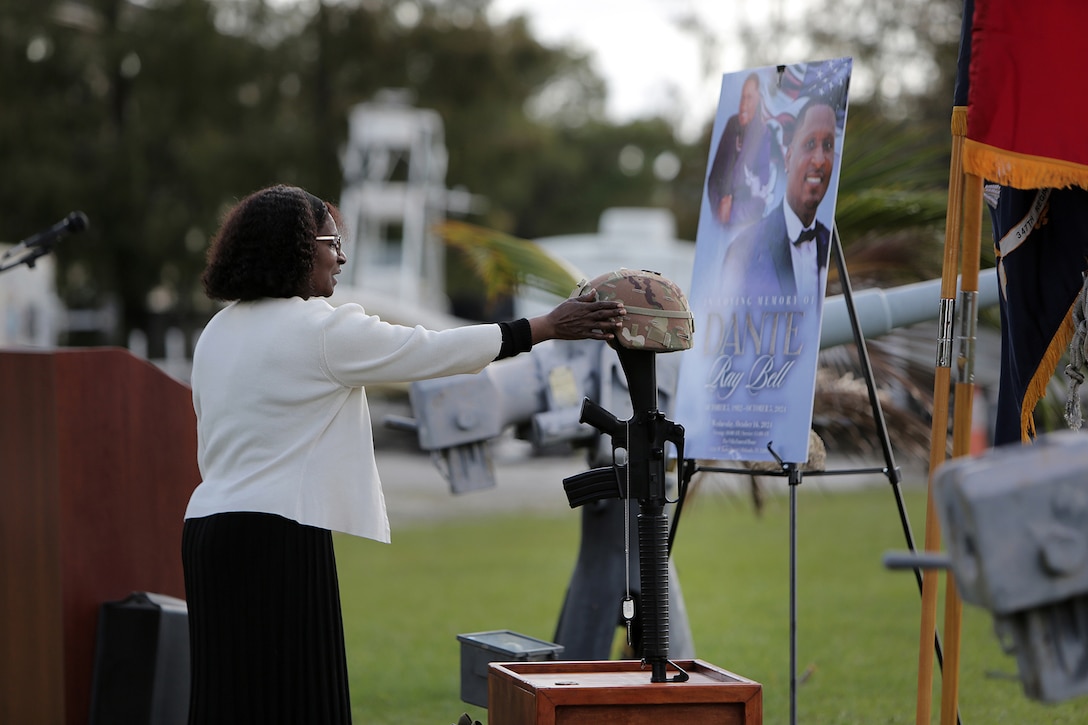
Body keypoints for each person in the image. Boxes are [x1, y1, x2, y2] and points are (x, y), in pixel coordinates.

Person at [180, 183, 626, 724]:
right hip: (277, 534)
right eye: (331, 241)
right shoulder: (321, 329)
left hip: (207, 534)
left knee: (228, 702)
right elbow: (431, 351)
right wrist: (545, 327)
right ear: (295, 249)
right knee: (297, 702)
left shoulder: (216, 332)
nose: (341, 256)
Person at [722, 96, 838, 301]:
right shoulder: (744, 249)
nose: (820, 161)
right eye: (810, 143)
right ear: (788, 157)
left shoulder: (831, 246)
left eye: (828, 145)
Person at [706, 73, 777, 228]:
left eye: (749, 98)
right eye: (742, 98)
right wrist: (719, 207)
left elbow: (760, 199)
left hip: (744, 232)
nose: (743, 105)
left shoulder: (764, 134)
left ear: (759, 100)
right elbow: (713, 178)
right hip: (717, 229)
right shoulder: (732, 125)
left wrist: (731, 213)